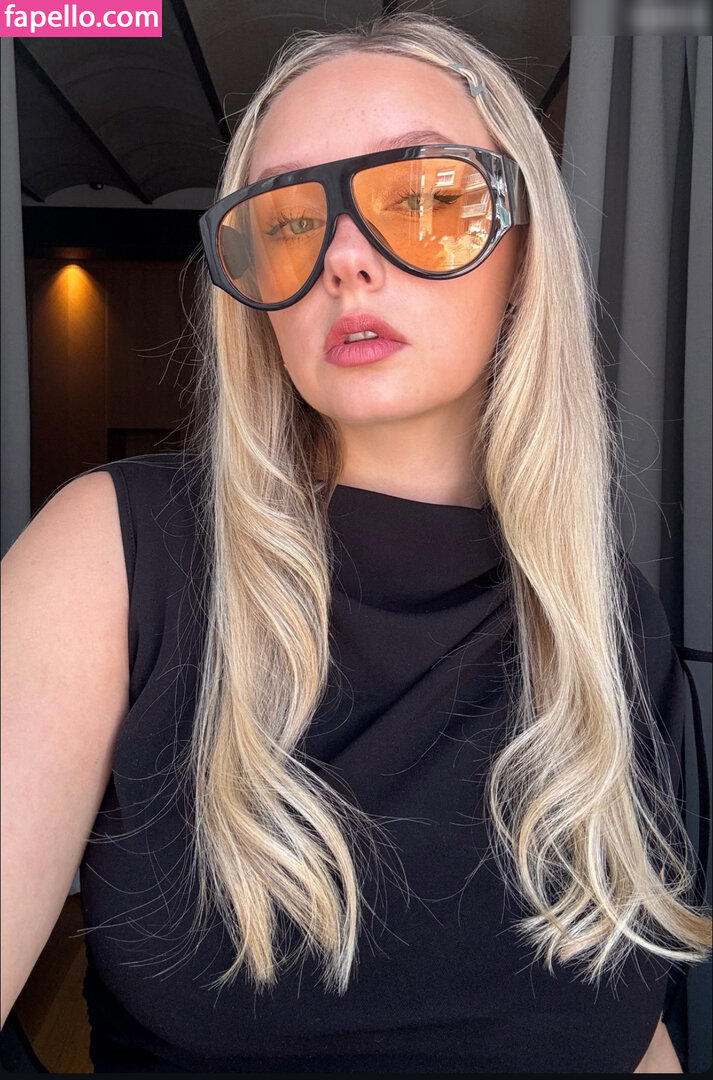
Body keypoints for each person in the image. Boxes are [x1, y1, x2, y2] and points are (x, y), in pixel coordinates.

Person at [2, 12, 710, 1074]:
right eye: (287, 219)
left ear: (521, 251)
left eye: (422, 197)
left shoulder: (607, 620)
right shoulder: (110, 555)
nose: (342, 258)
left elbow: (629, 1028)